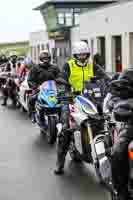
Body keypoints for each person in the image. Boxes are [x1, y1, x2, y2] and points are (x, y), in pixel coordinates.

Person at [54, 41, 95, 175]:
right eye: (80, 54)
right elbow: (61, 80)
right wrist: (63, 92)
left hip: (89, 98)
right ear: (75, 55)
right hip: (71, 99)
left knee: (104, 118)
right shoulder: (68, 65)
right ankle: (60, 162)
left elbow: (104, 77)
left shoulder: (92, 65)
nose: (83, 56)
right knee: (66, 127)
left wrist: (112, 85)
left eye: (85, 54)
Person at [108, 68, 133, 200]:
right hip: (131, 123)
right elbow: (114, 98)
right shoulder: (128, 75)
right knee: (118, 151)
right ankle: (120, 190)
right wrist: (119, 105)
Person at [27, 50, 61, 123]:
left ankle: (62, 119)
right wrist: (36, 87)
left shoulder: (55, 67)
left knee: (63, 100)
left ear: (50, 59)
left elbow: (60, 77)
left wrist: (60, 84)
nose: (45, 60)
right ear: (40, 59)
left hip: (53, 89)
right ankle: (33, 113)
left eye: (47, 58)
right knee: (31, 99)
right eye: (43, 58)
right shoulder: (35, 68)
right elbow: (30, 80)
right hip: (39, 89)